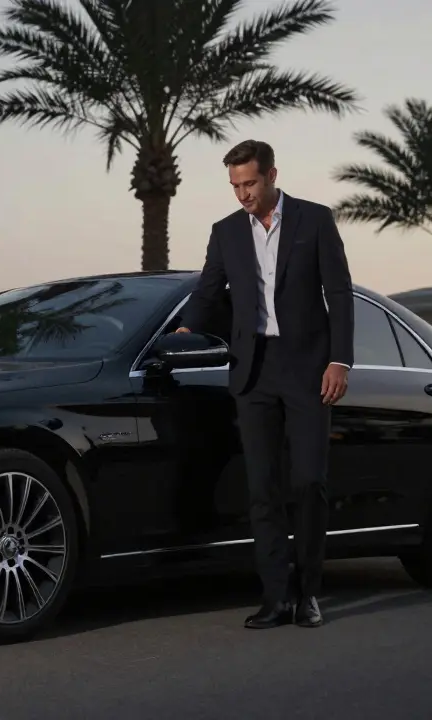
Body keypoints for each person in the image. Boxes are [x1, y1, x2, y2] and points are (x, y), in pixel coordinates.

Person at [175, 139, 353, 630]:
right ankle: (276, 597)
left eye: (249, 183)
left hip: (308, 368)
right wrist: (188, 329)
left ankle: (310, 592)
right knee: (262, 488)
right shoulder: (226, 232)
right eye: (234, 186)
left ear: (272, 175)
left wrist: (340, 360)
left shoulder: (315, 220)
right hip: (252, 371)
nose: (242, 194)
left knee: (309, 480)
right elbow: (209, 289)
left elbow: (338, 292)